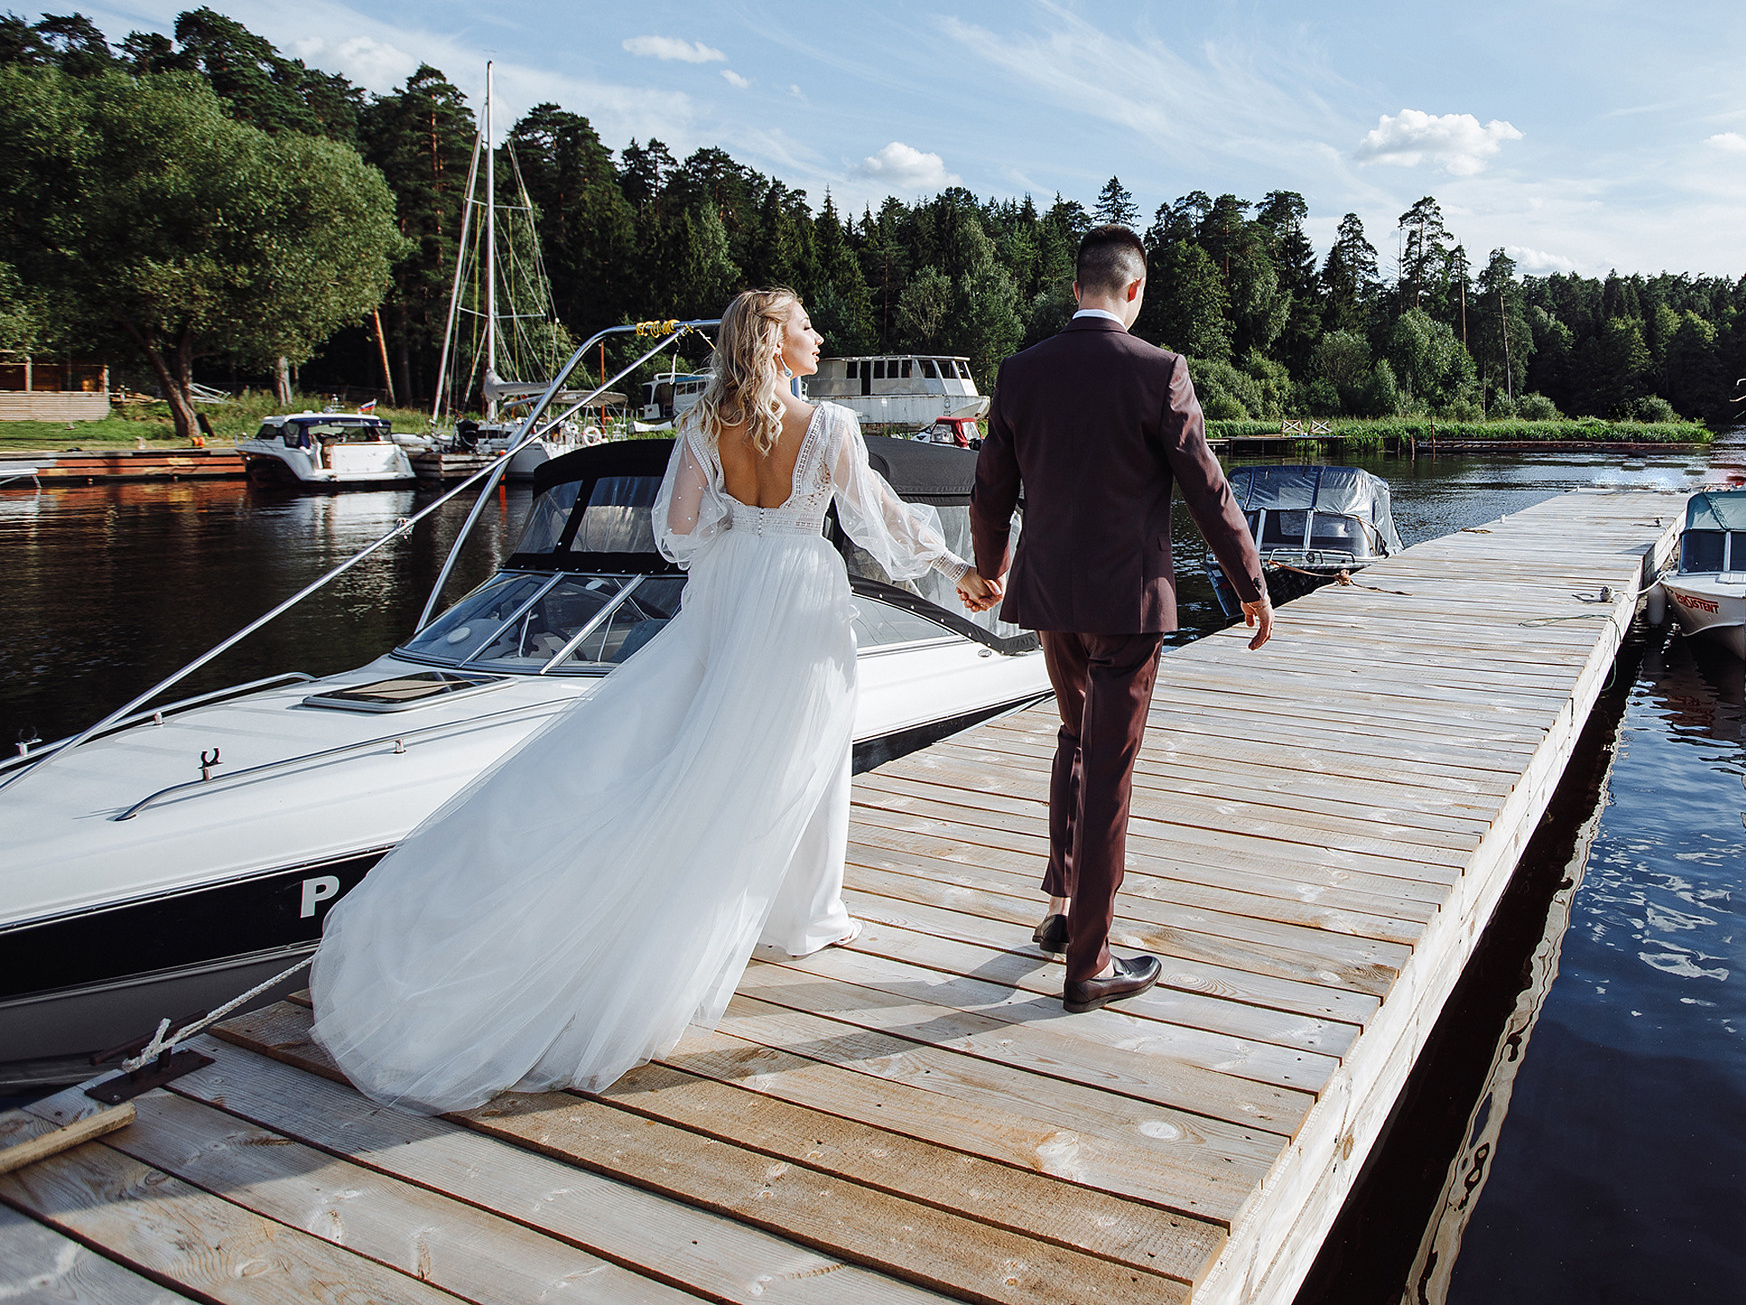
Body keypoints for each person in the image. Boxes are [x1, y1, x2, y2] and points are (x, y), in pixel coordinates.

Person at [309, 287, 975, 1114]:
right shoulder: (830, 427)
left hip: (732, 589)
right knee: (803, 753)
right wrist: (954, 569)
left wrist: (742, 537)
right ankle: (802, 915)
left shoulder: (702, 423)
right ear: (773, 342)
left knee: (706, 744)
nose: (819, 334)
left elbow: (683, 533)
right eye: (806, 325)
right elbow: (880, 521)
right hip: (800, 588)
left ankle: (780, 905)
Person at [962, 224, 1274, 1013]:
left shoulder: (1020, 372)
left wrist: (992, 565)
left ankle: (1069, 915)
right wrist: (1250, 581)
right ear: (1133, 291)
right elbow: (1208, 488)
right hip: (1128, 603)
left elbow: (990, 488)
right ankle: (1090, 962)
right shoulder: (1158, 371)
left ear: (1077, 289)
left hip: (1050, 601)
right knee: (1108, 766)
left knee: (1074, 742)